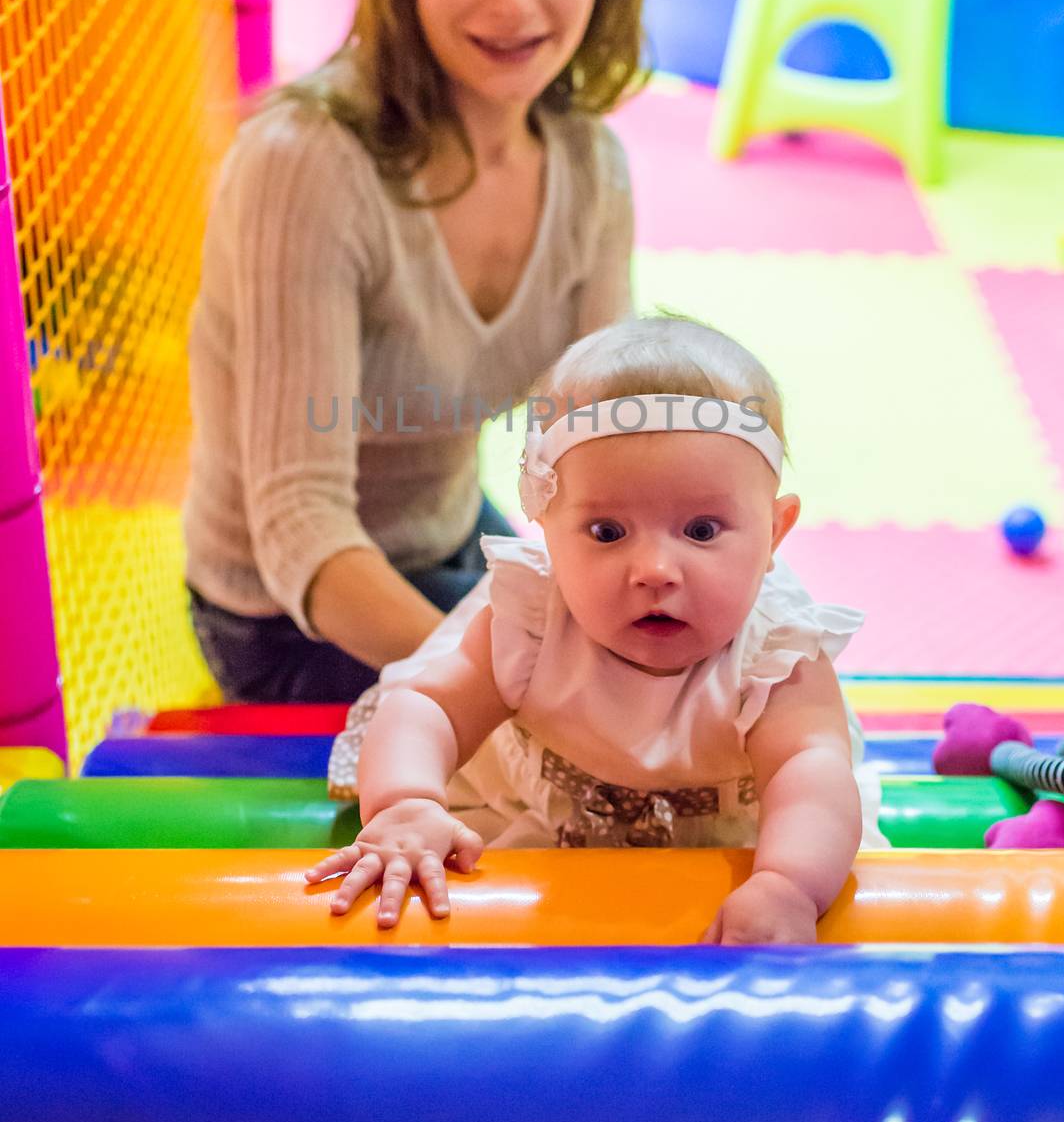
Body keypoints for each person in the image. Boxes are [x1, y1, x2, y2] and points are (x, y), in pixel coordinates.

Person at [183, 0, 645, 705]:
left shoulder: (591, 169)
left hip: (444, 541)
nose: (514, 3)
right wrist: (519, 684)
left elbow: (602, 456)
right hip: (279, 609)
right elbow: (301, 528)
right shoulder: (303, 164)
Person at [307, 314, 887, 945]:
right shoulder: (531, 623)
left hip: (730, 843)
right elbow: (427, 706)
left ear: (775, 532)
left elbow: (810, 774)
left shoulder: (776, 654)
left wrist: (787, 885)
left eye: (701, 531)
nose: (656, 570)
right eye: (608, 533)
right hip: (537, 820)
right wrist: (407, 803)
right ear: (548, 534)